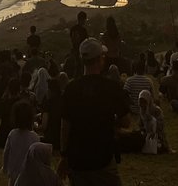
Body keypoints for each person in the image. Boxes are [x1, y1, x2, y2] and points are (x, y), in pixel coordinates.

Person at [59, 37, 130, 185]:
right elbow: (126, 121)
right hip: (103, 159)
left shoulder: (71, 89)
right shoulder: (111, 87)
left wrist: (64, 156)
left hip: (77, 161)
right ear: (100, 59)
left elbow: (65, 126)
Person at [3, 100, 39, 186]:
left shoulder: (12, 134)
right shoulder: (35, 137)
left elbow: (6, 152)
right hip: (28, 174)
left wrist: (4, 166)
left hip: (14, 172)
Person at [136, 89, 168, 154]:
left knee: (158, 145)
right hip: (146, 134)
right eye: (140, 102)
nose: (142, 105)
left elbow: (160, 128)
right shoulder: (142, 112)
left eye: (144, 102)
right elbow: (140, 125)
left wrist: (151, 121)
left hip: (157, 136)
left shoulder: (156, 111)